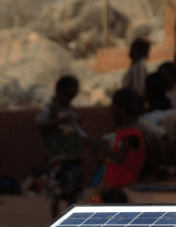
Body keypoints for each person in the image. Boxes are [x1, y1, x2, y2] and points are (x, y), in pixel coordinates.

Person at [36, 76, 84, 219]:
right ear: (59, 91)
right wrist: (59, 121)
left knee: (73, 193)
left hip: (74, 157)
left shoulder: (71, 109)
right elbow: (41, 125)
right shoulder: (49, 108)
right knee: (57, 193)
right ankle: (55, 222)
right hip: (58, 158)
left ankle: (70, 222)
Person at [86, 88, 146, 202]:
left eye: (113, 110)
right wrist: (101, 155)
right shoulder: (123, 133)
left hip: (120, 186)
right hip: (112, 184)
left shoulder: (130, 134)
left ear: (122, 111)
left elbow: (119, 157)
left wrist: (99, 145)